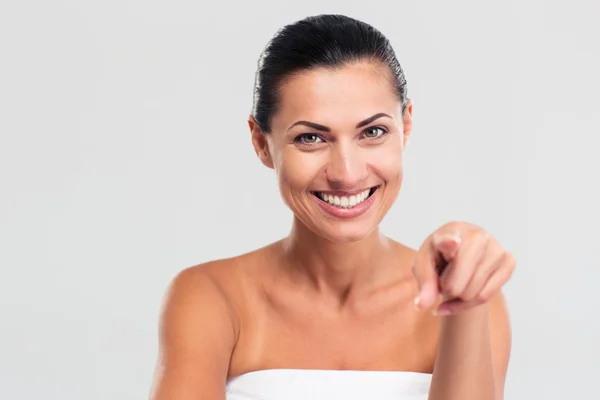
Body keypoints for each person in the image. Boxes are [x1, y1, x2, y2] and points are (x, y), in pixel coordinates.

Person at [149, 14, 515, 400]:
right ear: (261, 143)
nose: (346, 173)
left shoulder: (473, 298)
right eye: (310, 138)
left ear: (405, 125)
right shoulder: (211, 299)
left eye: (372, 132)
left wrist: (463, 298)